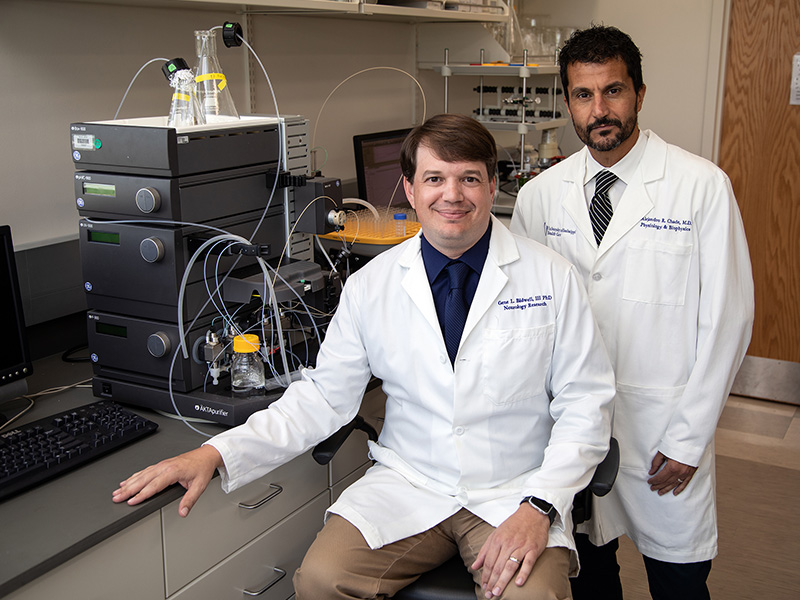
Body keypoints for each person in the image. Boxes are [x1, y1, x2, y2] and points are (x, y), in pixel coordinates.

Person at [114, 113, 615, 600]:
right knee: (322, 580)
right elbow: (322, 399)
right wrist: (215, 452)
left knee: (534, 596)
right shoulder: (371, 286)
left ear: (490, 186)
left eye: (469, 179)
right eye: (435, 178)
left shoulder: (551, 278)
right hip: (411, 484)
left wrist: (539, 505)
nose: (452, 195)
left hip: (515, 490)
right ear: (410, 188)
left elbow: (586, 405)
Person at [510, 25, 754, 600]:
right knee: (592, 574)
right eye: (583, 95)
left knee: (679, 582)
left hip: (662, 430)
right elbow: (526, 321)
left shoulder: (700, 188)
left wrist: (690, 438)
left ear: (640, 93)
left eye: (613, 91)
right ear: (567, 100)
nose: (600, 110)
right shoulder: (540, 198)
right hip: (574, 431)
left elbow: (728, 319)